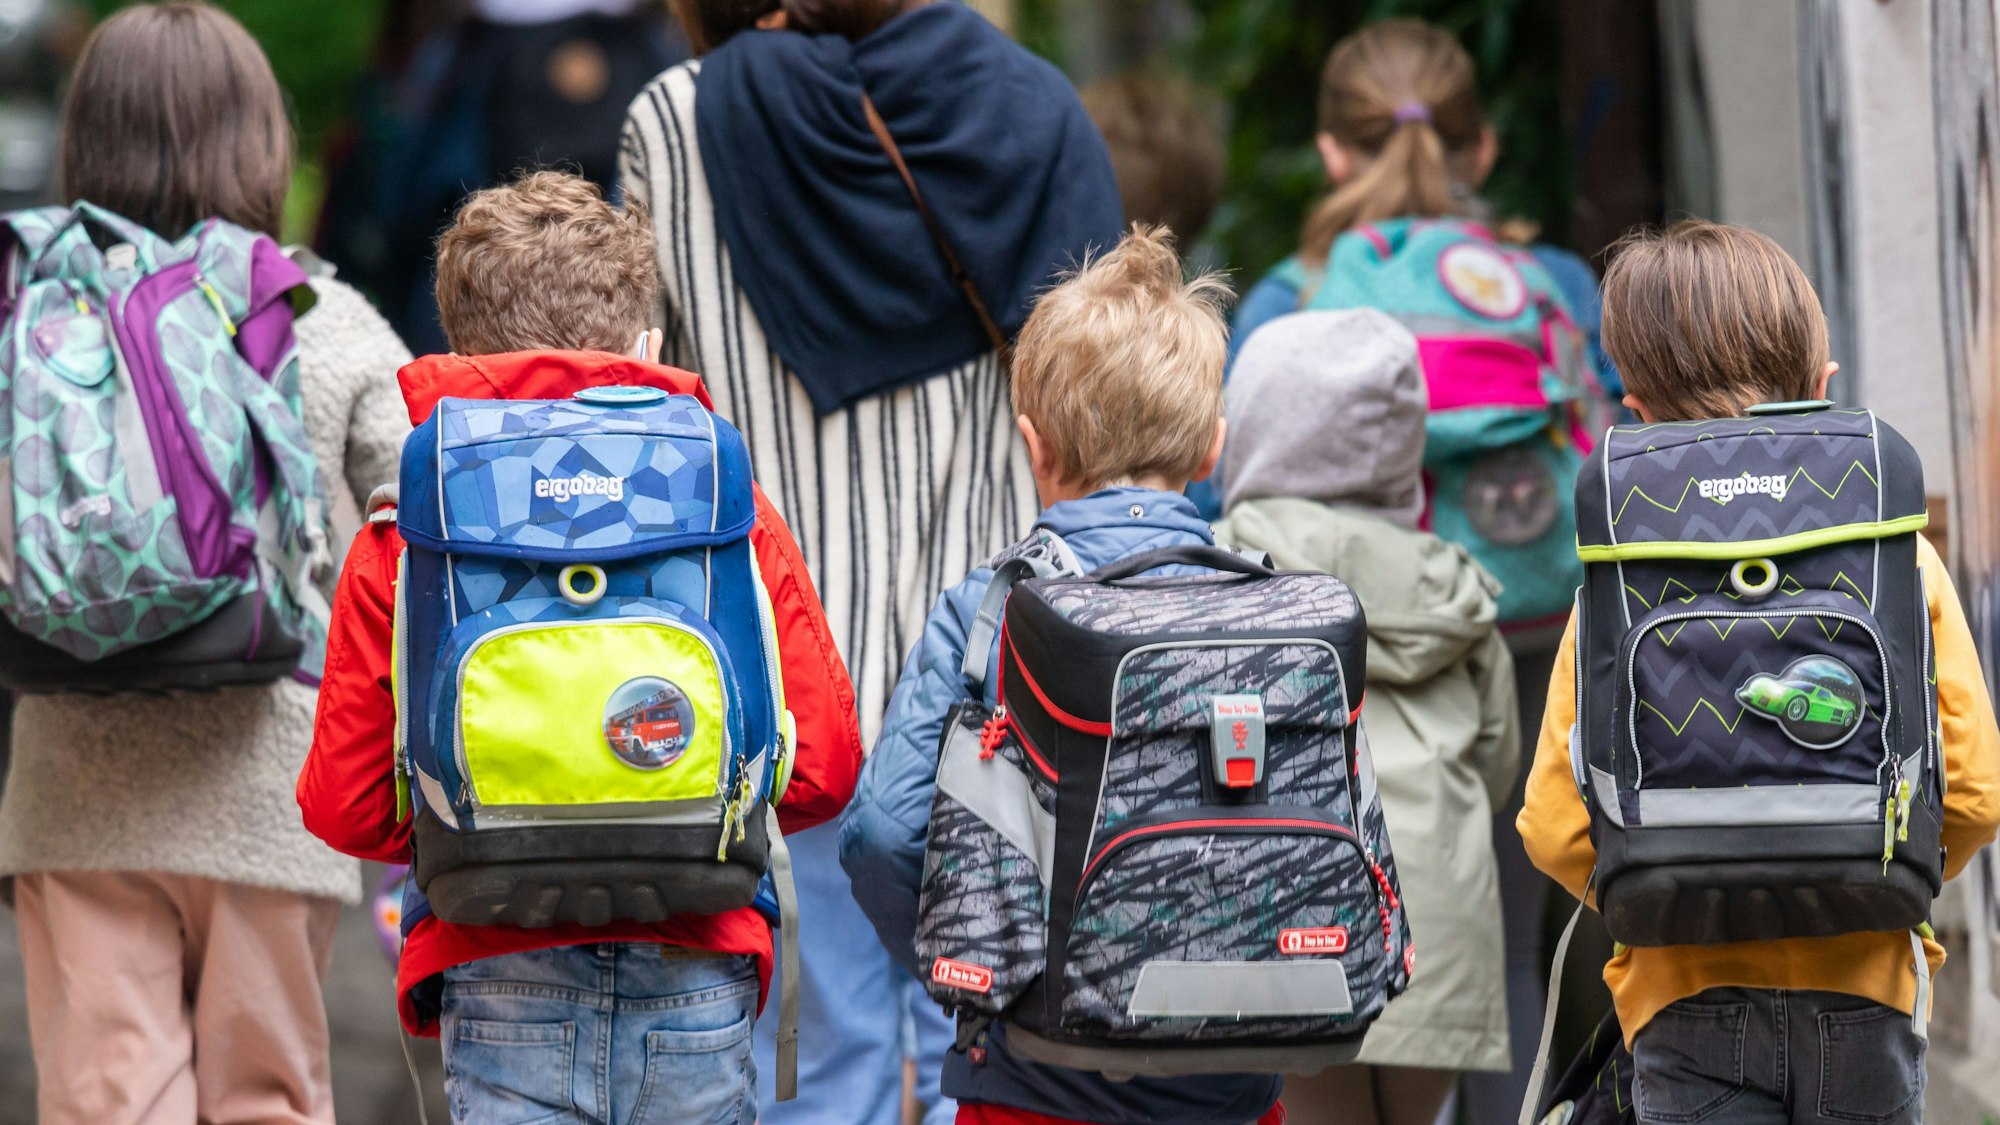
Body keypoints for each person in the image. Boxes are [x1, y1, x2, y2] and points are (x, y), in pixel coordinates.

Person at [618, 3, 1121, 1119]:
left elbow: (647, 398)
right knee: (988, 1041)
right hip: (998, 673)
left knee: (816, 1053)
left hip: (779, 668)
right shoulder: (1030, 105)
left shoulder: (675, 118)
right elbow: (1103, 389)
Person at [297, 170, 864, 1122]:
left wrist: (480, 823)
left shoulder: (412, 523)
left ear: (463, 350)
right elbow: (824, 769)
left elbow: (347, 803)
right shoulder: (725, 507)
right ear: (645, 344)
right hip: (697, 955)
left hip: (495, 960)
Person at [0, 6, 413, 1122]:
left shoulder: (21, 322)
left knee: (107, 1102)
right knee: (268, 1103)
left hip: (75, 788)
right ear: (260, 140)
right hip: (272, 791)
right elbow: (421, 535)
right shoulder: (325, 322)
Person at [1518, 220, 2000, 1124]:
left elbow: (1554, 825)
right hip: (1870, 983)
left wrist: (1670, 879)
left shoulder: (1617, 582)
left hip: (1680, 991)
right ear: (1821, 388)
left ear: (1636, 415)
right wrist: (1876, 869)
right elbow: (1973, 794)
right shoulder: (1897, 558)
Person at [1226, 24, 1618, 1117]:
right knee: (1497, 927)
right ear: (1479, 152)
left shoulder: (1292, 304)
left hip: (1339, 654)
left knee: (1324, 917)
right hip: (1523, 625)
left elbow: (1236, 491)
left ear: (1330, 154)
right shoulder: (1543, 282)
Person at [840, 224, 1284, 1125]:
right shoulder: (1279, 614)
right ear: (1212, 450)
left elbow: (884, 836)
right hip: (1231, 1084)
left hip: (1030, 1083)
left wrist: (975, 980)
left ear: (1034, 446)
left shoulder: (991, 609)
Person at [1212, 308, 1520, 1125]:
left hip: (1290, 917)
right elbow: (1496, 771)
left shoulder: (1223, 567)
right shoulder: (1457, 588)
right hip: (1436, 933)